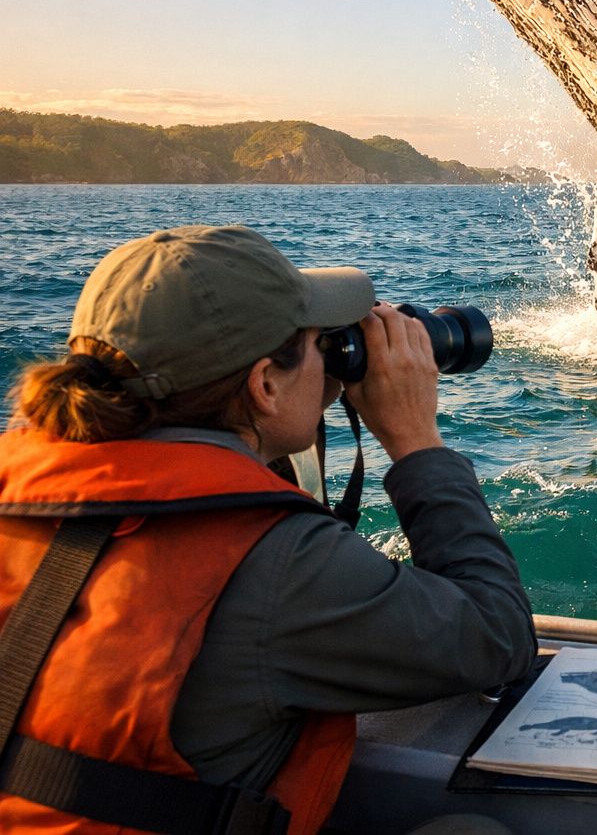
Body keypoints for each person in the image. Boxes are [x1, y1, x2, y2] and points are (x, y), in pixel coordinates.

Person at [0, 225, 537, 834]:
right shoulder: (276, 562)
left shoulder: (23, 494)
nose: (331, 357)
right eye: (316, 345)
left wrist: (294, 410)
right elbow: (497, 637)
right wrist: (415, 440)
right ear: (264, 384)